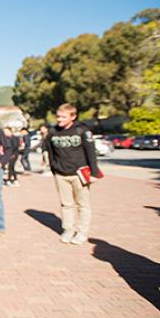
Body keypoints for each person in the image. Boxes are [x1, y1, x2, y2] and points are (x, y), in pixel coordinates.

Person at [44, 103, 100, 245]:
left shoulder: (82, 130)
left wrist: (94, 173)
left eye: (63, 117)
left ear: (73, 117)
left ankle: (82, 232)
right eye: (58, 116)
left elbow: (91, 153)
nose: (59, 119)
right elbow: (50, 152)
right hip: (61, 174)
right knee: (66, 204)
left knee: (82, 204)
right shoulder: (53, 132)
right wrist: (54, 169)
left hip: (78, 174)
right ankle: (68, 229)